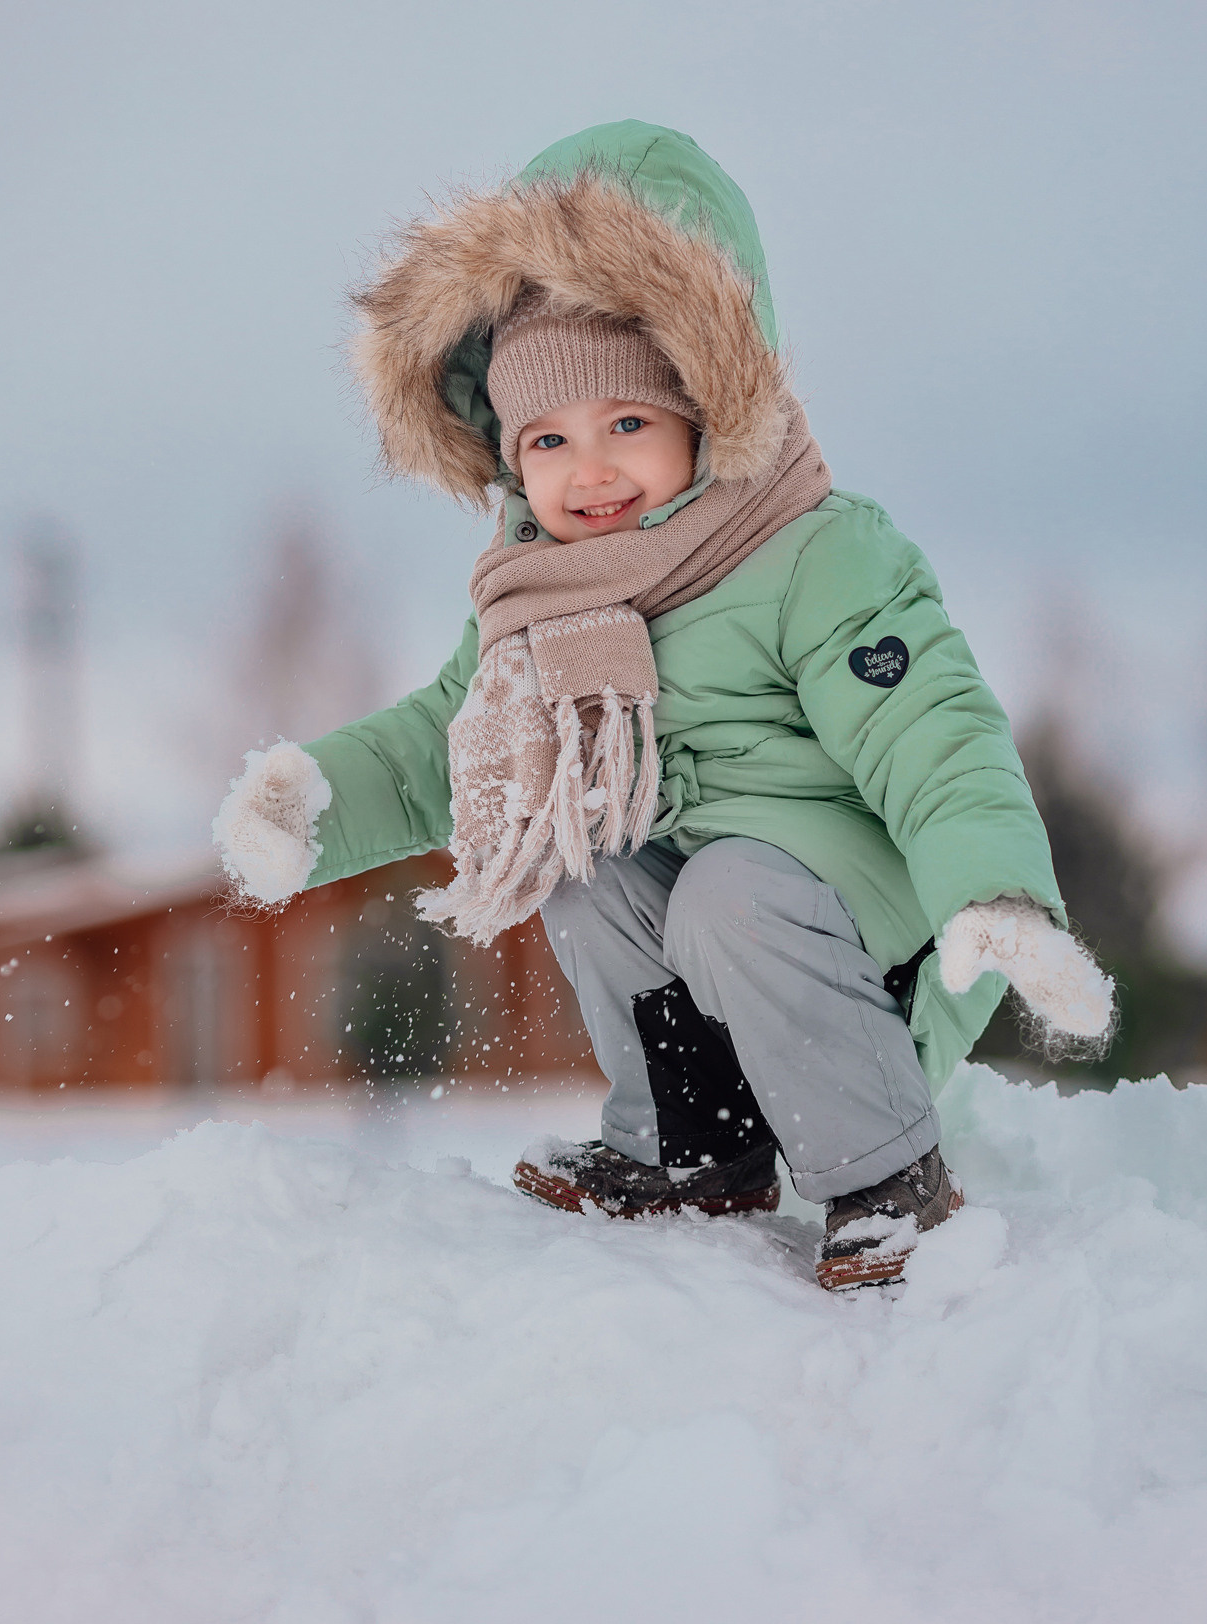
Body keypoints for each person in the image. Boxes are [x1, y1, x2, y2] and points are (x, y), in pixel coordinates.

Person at [213, 121, 1113, 1290]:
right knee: (579, 856)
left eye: (627, 424)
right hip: (707, 917)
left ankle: (887, 1176)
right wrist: (310, 801)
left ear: (706, 401)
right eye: (548, 438)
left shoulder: (811, 552)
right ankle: (697, 1148)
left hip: (859, 916)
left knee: (729, 887)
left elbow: (929, 732)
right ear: (506, 455)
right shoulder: (537, 595)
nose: (588, 473)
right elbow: (448, 741)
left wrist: (989, 891)